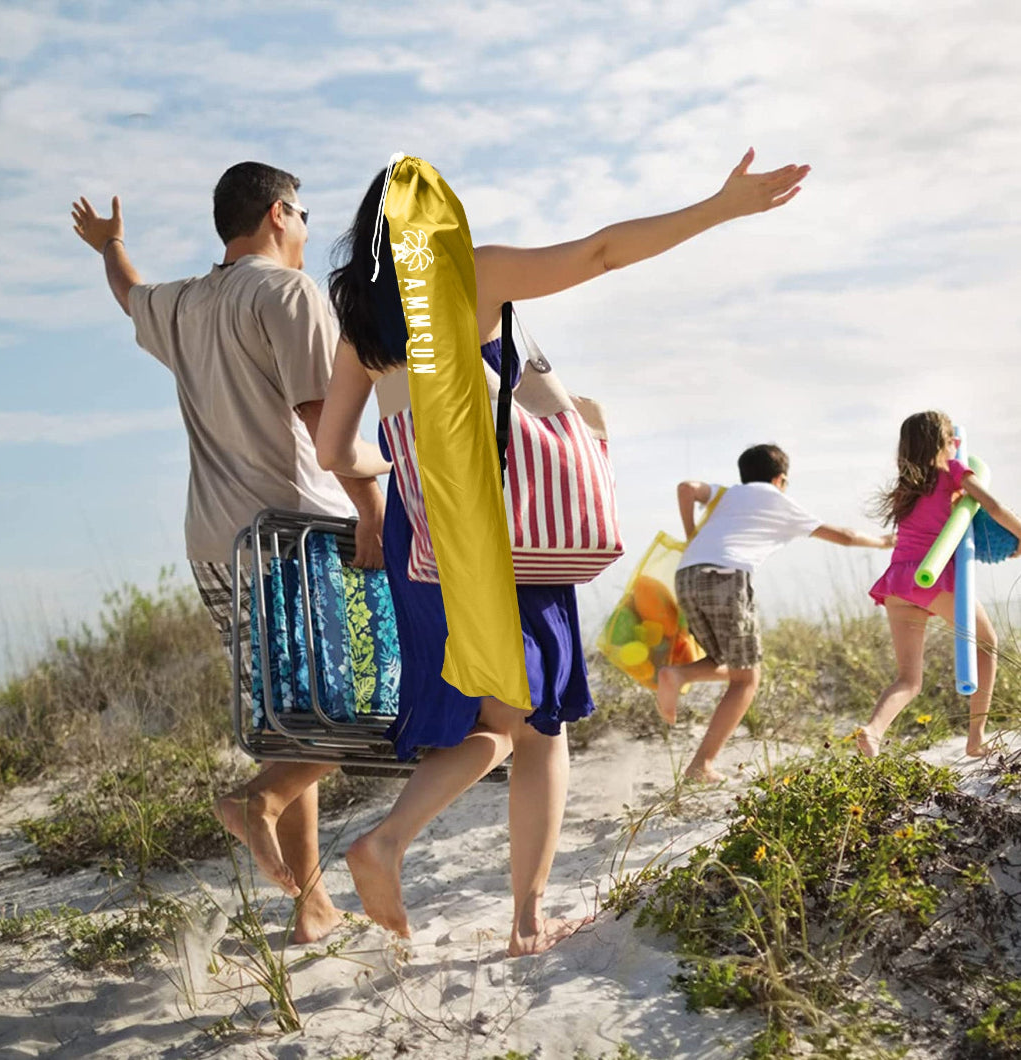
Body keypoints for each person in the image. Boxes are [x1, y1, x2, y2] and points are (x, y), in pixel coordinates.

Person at [317, 149, 811, 955]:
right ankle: (521, 920)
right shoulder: (469, 274)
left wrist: (406, 457)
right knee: (539, 728)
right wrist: (719, 208)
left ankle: (390, 841)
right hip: (504, 534)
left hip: (427, 543)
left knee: (491, 724)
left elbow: (337, 449)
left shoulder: (363, 323)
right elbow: (601, 252)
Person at [71, 162, 389, 943]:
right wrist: (377, 515)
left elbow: (127, 293)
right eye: (305, 214)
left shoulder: (180, 302)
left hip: (218, 544)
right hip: (298, 533)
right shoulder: (287, 294)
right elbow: (330, 430)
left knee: (295, 721)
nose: (310, 230)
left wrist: (110, 246)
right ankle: (260, 801)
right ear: (279, 213)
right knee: (375, 700)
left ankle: (310, 903)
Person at [657, 443, 894, 781]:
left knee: (726, 660)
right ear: (781, 479)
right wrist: (883, 542)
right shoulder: (777, 499)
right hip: (727, 576)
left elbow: (686, 488)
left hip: (687, 575)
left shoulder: (728, 495)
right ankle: (700, 763)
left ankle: (680, 676)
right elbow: (844, 536)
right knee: (747, 679)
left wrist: (691, 534)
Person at [858, 410, 1021, 758]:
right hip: (932, 578)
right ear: (945, 444)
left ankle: (872, 731)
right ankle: (976, 737)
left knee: (909, 680)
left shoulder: (907, 486)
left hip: (898, 583)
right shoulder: (953, 472)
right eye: (952, 440)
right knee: (987, 644)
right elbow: (993, 506)